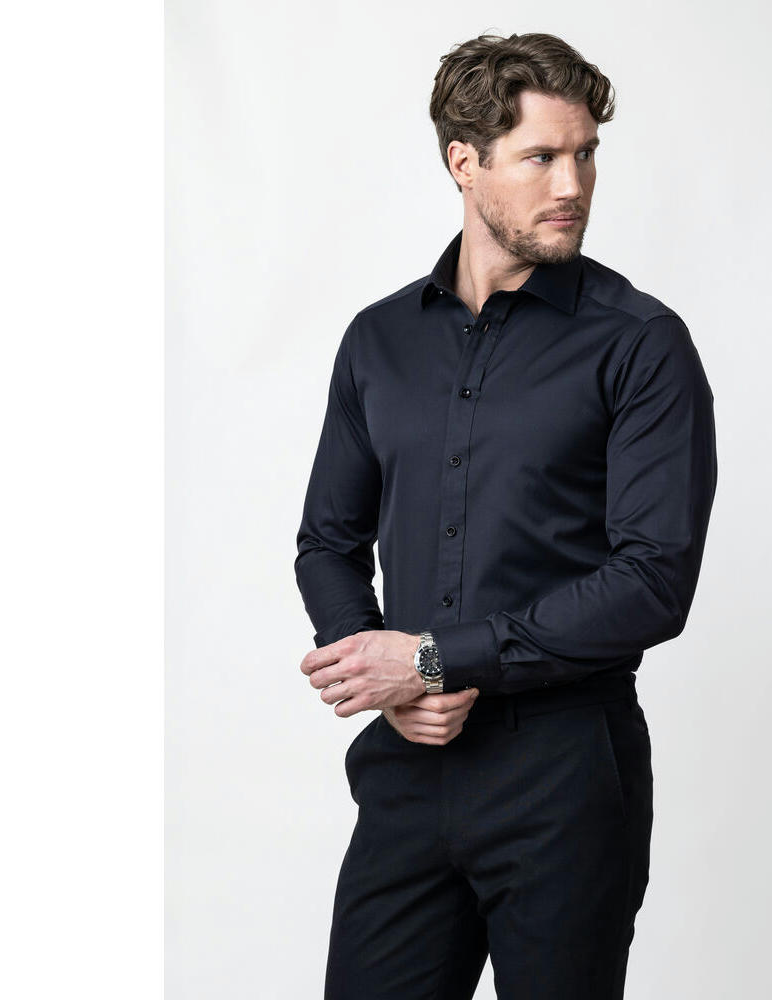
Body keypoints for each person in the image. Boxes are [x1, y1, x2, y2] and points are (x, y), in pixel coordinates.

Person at [294, 30, 718, 1000]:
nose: (573, 184)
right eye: (540, 157)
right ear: (465, 162)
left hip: (564, 772)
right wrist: (380, 668)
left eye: (586, 154)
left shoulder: (640, 344)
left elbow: (654, 579)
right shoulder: (379, 340)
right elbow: (327, 540)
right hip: (409, 762)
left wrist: (433, 658)